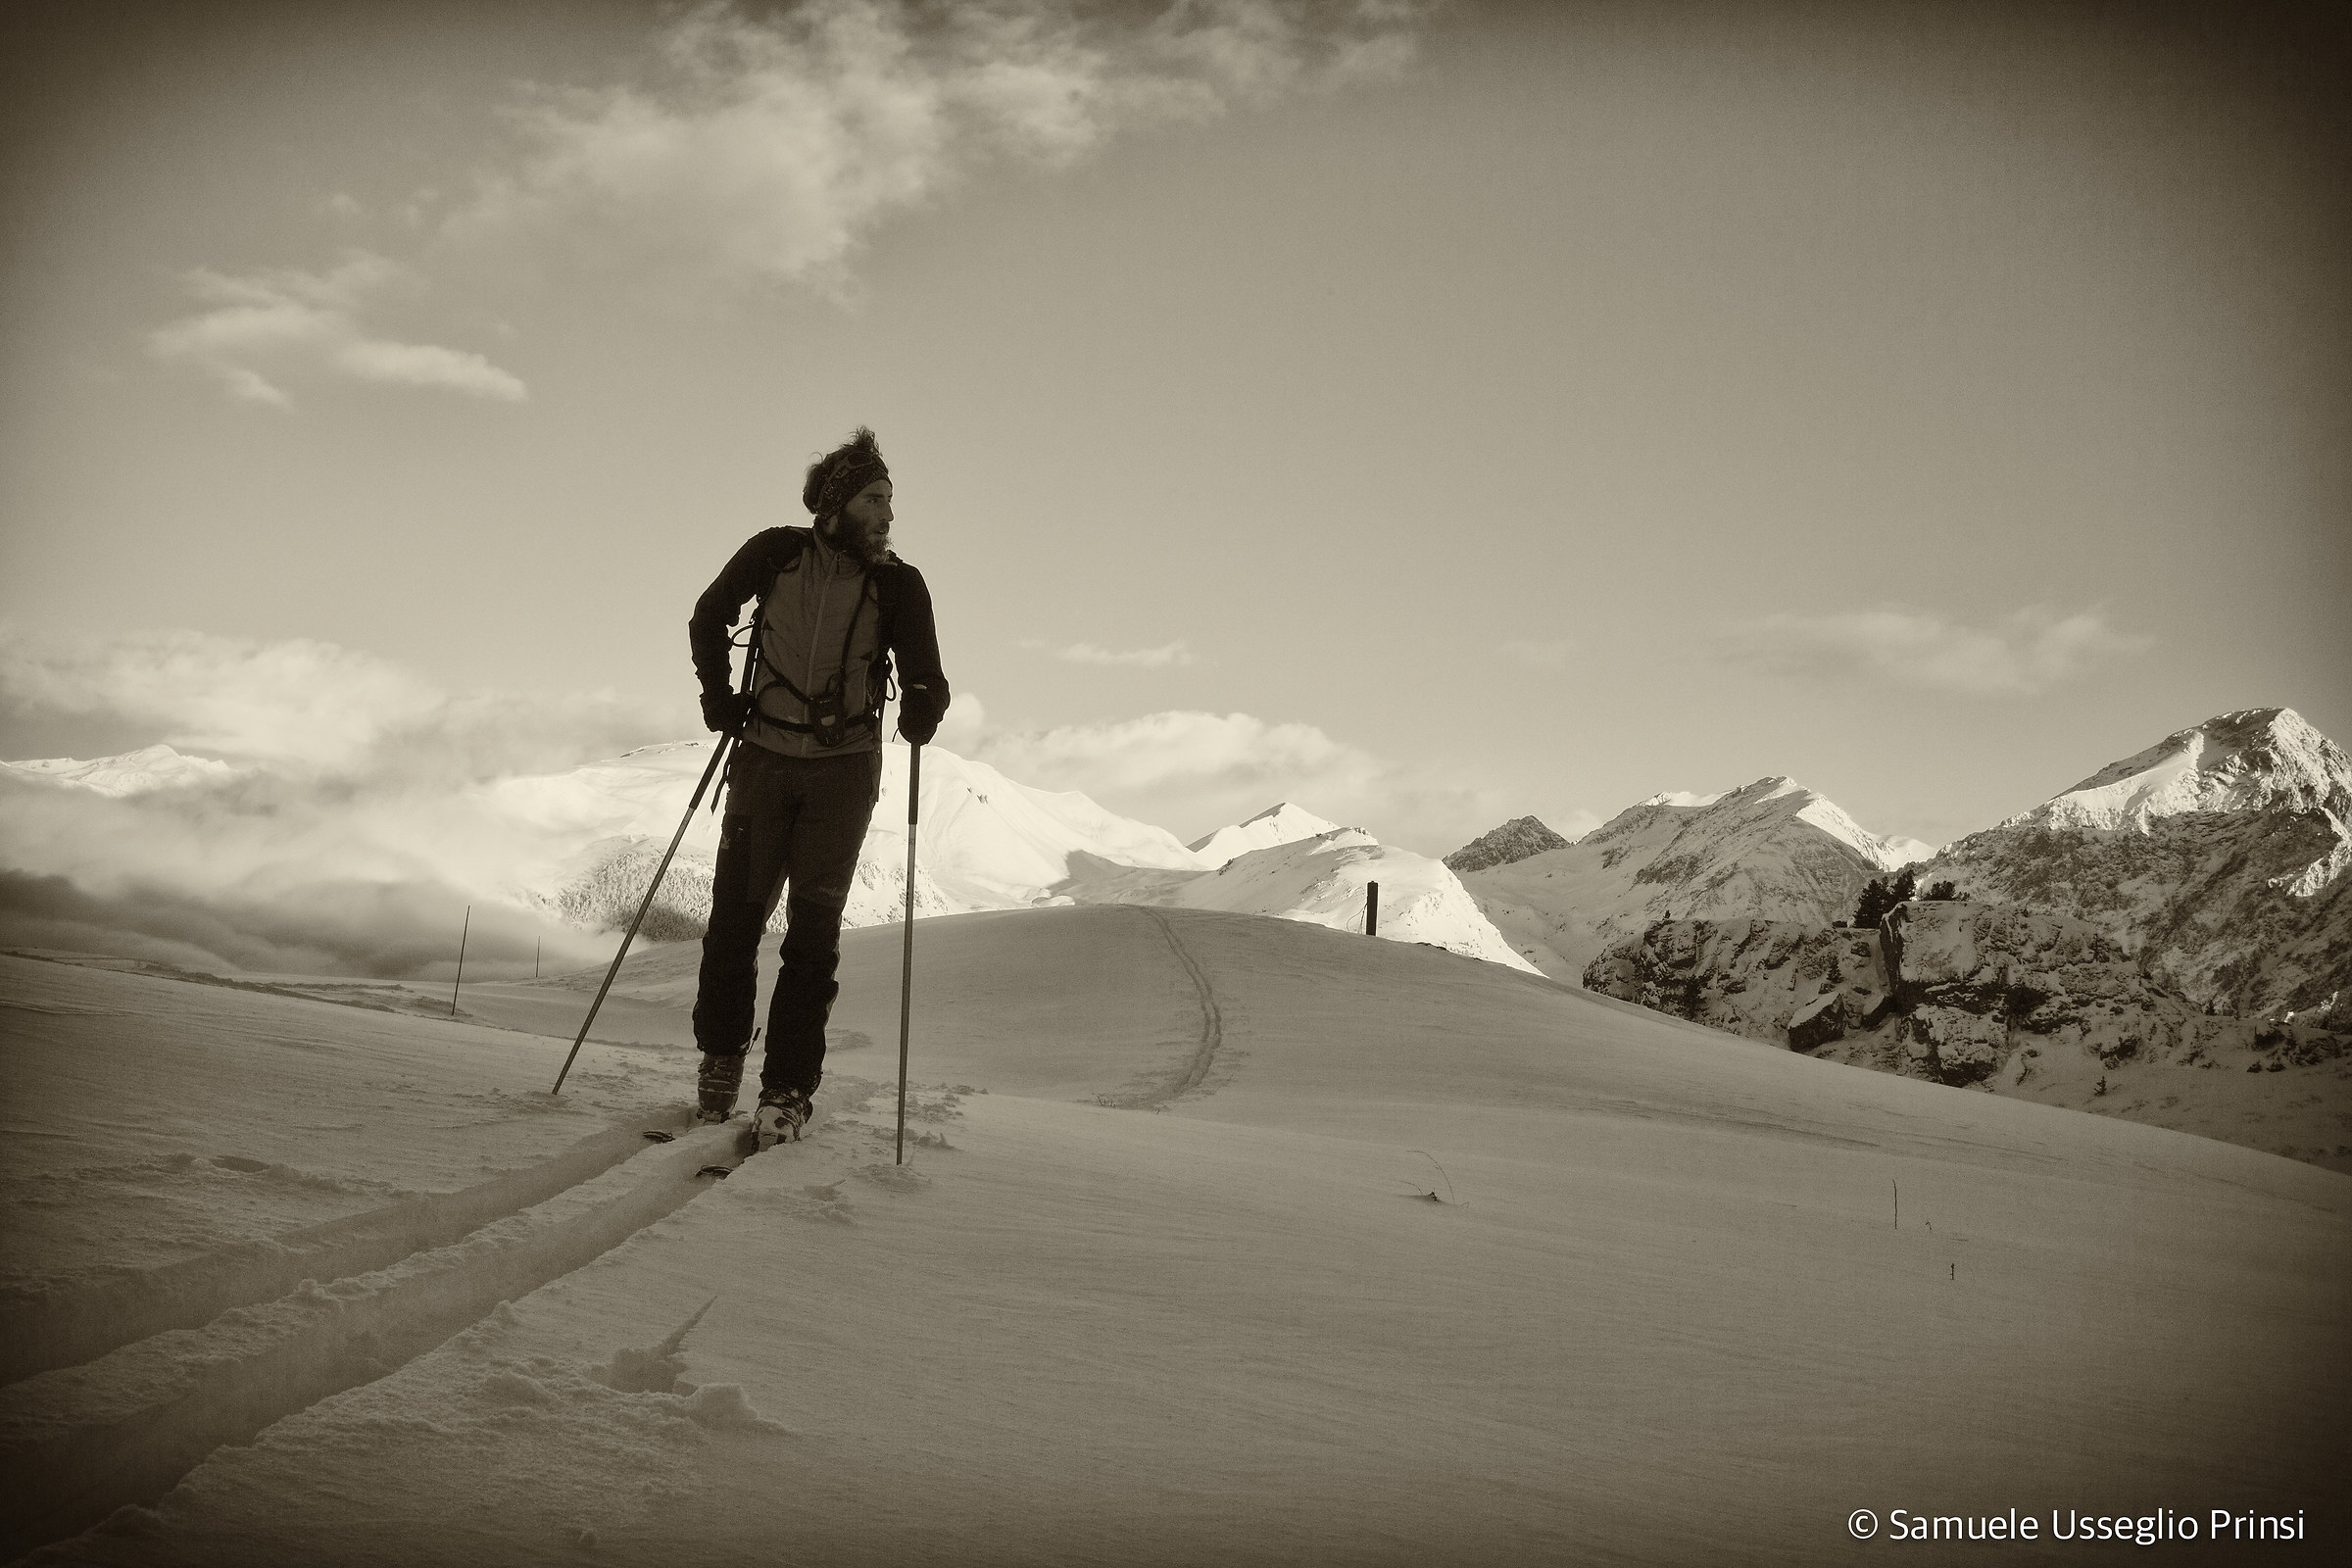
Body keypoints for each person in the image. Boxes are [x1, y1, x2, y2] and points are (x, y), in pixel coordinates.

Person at [685, 427, 949, 1148]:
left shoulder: (899, 583)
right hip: (765, 763)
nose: (888, 515)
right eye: (874, 500)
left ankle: (787, 1091)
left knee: (811, 939)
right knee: (733, 928)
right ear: (837, 505)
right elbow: (709, 616)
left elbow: (928, 674)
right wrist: (718, 701)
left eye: (890, 501)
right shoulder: (776, 553)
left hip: (841, 774)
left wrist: (925, 701)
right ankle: (720, 1066)